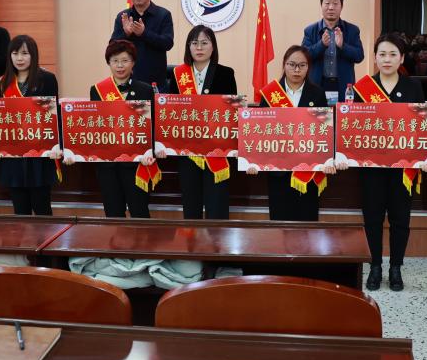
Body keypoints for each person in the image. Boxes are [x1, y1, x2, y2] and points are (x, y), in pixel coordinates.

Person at [341, 34, 427, 292]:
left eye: (393, 54)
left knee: (400, 219)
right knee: (372, 218)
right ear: (375, 58)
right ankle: (375, 266)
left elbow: (422, 126)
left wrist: (426, 157)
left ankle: (395, 267)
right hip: (372, 167)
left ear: (402, 58)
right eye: (382, 54)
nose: (387, 59)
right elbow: (353, 127)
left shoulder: (413, 87)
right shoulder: (363, 88)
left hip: (403, 167)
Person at [248, 46, 336, 221]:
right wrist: (253, 160)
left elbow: (325, 131)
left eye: (302, 65)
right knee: (279, 222)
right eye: (292, 64)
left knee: (307, 222)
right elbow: (260, 131)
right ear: (284, 65)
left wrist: (329, 159)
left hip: (308, 169)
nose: (297, 70)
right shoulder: (270, 94)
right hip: (278, 171)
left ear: (308, 67)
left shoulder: (317, 93)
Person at [163, 25, 238, 220]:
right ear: (188, 47)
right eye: (194, 43)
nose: (199, 47)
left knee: (216, 204)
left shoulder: (225, 73)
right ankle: (192, 239)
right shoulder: (178, 75)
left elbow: (231, 112)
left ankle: (218, 239)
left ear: (213, 47)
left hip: (216, 148)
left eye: (204, 43)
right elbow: (170, 113)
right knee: (191, 203)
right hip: (187, 149)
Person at [85, 39, 158, 218]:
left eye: (125, 60)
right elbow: (96, 125)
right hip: (108, 164)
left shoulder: (145, 90)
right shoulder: (97, 90)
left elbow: (153, 125)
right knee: (113, 213)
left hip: (137, 163)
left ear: (133, 62)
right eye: (115, 61)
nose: (120, 65)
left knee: (139, 212)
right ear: (109, 62)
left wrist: (152, 151)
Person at [0, 35, 59, 216]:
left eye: (24, 53)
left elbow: (53, 116)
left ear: (33, 55)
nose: (19, 58)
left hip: (39, 153)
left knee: (42, 207)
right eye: (15, 53)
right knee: (20, 210)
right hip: (13, 155)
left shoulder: (47, 79)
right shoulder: (3, 82)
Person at [110, 0, 174, 88]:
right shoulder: (123, 16)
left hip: (156, 81)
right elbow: (111, 47)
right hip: (128, 80)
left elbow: (168, 43)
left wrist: (144, 33)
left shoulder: (163, 14)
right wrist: (126, 34)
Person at [301, 0, 364, 102]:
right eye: (327, 3)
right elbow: (304, 57)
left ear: (341, 6)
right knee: (317, 113)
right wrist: (321, 45)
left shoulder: (352, 30)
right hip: (317, 84)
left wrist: (342, 46)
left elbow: (359, 56)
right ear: (321, 6)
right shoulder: (310, 30)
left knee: (341, 113)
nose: (331, 7)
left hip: (343, 85)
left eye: (335, 3)